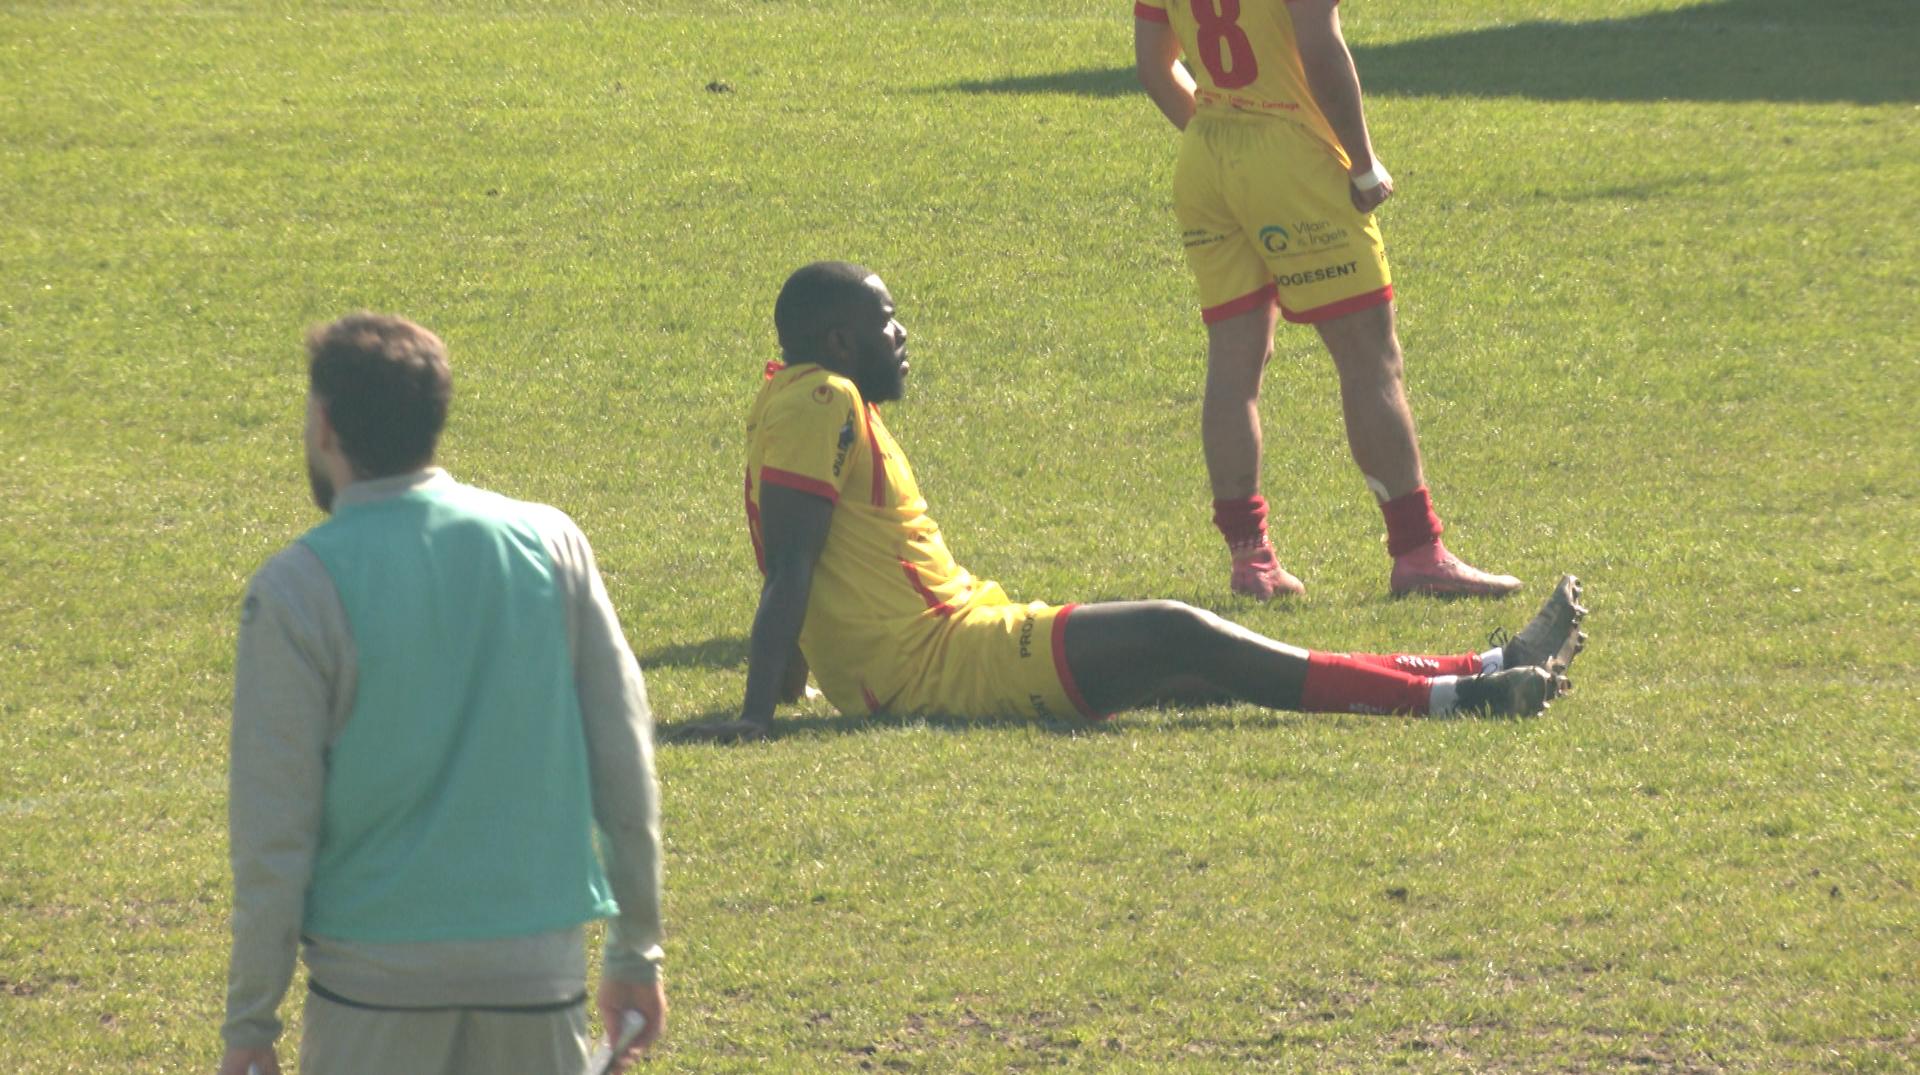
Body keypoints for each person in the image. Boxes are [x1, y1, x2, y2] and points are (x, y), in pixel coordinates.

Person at [685, 262, 1584, 743]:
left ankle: (1480, 671)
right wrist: (761, 710)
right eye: (887, 321)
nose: (904, 333)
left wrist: (800, 677)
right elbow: (792, 563)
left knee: (1219, 662)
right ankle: (1461, 697)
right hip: (947, 665)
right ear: (838, 339)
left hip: (959, 639)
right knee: (1179, 630)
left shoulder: (794, 398)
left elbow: (802, 554)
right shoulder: (819, 401)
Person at [217, 314, 666, 1075]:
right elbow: (623, 759)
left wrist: (250, 1023)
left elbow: (274, 832)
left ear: (324, 423)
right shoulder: (552, 543)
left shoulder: (294, 589)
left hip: (372, 984)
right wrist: (636, 948)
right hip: (537, 969)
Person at [1133, 0, 1521, 600]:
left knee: (1235, 363)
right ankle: (1419, 553)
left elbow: (1154, 67)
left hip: (1206, 157)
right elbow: (1320, 46)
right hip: (1293, 159)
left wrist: (1225, 138)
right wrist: (1363, 164)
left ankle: (1251, 561)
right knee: (1369, 357)